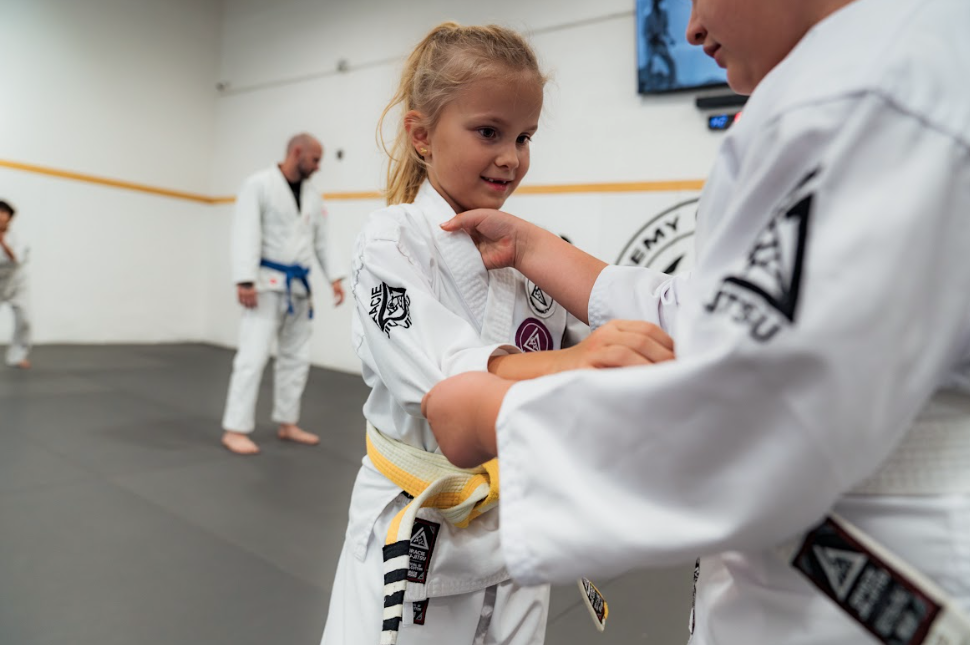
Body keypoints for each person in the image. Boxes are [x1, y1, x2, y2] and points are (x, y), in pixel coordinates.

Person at [423, 0, 970, 643]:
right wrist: (538, 250)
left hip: (864, 585)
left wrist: (496, 414)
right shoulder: (873, 72)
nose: (690, 30)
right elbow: (717, 314)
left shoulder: (870, 89)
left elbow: (756, 412)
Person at [320, 22, 674, 645]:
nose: (511, 156)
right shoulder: (390, 240)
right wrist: (580, 363)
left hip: (517, 529)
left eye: (525, 136)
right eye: (489, 132)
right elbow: (449, 381)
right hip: (418, 523)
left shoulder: (533, 252)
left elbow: (590, 362)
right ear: (422, 134)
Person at [221, 133, 345, 456]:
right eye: (315, 159)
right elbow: (245, 230)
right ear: (297, 152)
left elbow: (321, 240)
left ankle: (288, 422)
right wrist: (245, 279)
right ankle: (235, 428)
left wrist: (334, 277)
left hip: (299, 287)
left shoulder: (313, 196)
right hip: (264, 284)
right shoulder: (259, 184)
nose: (318, 167)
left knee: (296, 357)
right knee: (252, 356)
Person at [0, 200, 31, 369]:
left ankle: (17, 356)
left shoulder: (19, 237)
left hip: (17, 283)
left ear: (10, 218)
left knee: (25, 320)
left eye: (4, 214)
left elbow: (16, 260)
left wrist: (2, 241)